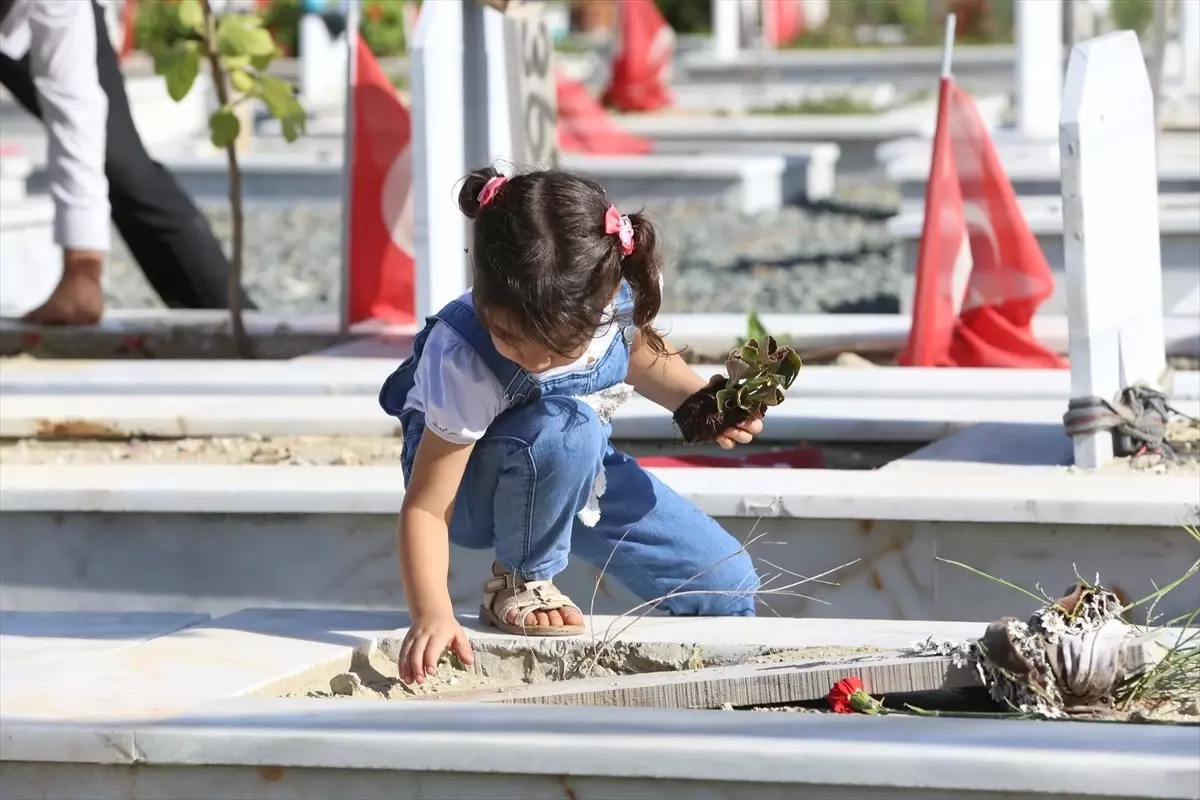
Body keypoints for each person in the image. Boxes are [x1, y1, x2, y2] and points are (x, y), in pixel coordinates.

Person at [378, 166, 763, 686]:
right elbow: (426, 506)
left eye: (560, 347)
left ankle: (725, 696)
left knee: (726, 582)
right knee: (569, 425)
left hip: (567, 467)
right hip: (471, 492)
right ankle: (520, 581)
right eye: (512, 339)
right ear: (484, 294)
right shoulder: (463, 357)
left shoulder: (606, 303)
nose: (535, 362)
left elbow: (635, 351)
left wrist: (702, 403)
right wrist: (432, 612)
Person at [0, 0, 253, 325]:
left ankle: (231, 324)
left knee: (123, 167)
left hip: (33, 23)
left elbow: (76, 116)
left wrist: (83, 269)